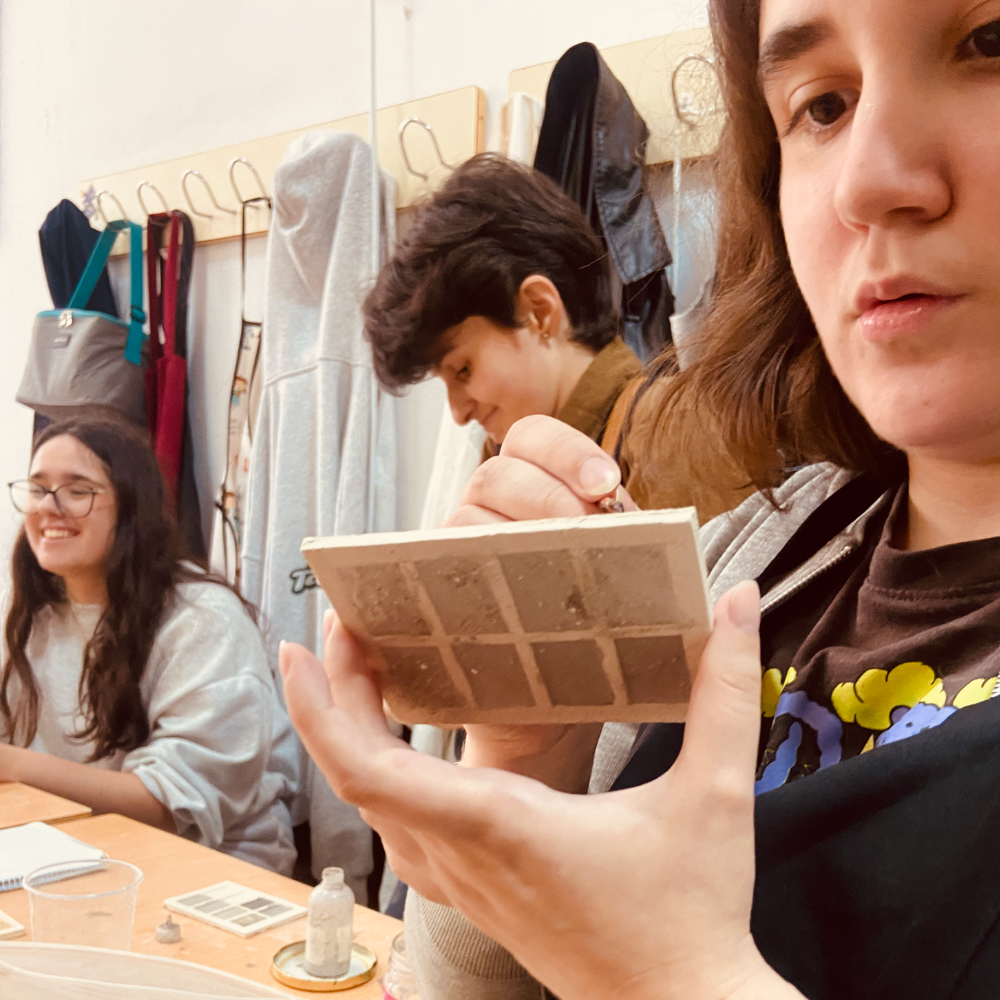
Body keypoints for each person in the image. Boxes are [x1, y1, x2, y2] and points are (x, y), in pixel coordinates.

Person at [280, 0, 1000, 996]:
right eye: (822, 105)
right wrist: (519, 763)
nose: (866, 182)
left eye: (990, 44)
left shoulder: (689, 453)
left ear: (540, 311)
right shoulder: (763, 547)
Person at [0, 413, 298, 874]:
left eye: (78, 490)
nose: (48, 507)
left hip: (216, 870)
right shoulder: (25, 613)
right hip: (75, 853)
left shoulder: (201, 618)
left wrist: (11, 765)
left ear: (131, 506)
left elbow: (169, 806)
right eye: (38, 488)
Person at [363, 153, 641, 459]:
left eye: (463, 370)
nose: (459, 414)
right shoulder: (510, 450)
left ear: (539, 310)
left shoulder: (660, 436)